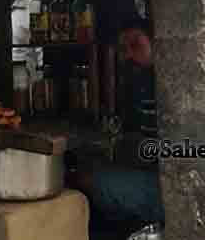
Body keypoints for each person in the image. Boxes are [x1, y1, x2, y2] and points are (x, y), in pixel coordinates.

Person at [69, 17, 164, 230]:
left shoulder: (168, 81)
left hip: (170, 187)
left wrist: (120, 150)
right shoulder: (138, 81)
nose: (128, 54)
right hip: (149, 171)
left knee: (90, 181)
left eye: (136, 45)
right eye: (123, 49)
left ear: (155, 42)